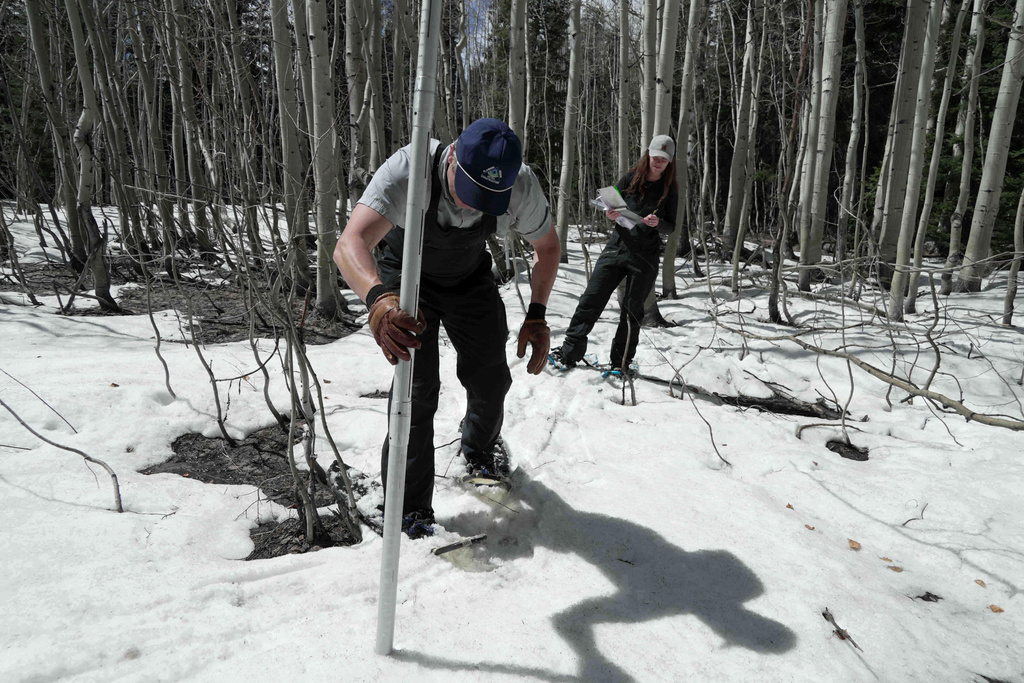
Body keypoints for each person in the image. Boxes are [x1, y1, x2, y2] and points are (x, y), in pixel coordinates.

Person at [333, 118, 560, 538]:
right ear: (452, 156)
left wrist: (538, 314)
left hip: (468, 277)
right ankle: (408, 508)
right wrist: (378, 300)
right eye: (471, 191)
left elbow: (547, 246)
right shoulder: (409, 168)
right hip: (406, 279)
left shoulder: (522, 186)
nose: (474, 206)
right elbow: (350, 243)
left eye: (489, 199)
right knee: (417, 392)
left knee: (492, 376)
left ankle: (479, 448)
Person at [551, 135, 678, 373]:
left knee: (632, 312)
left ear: (669, 162)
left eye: (664, 159)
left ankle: (621, 363)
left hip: (645, 257)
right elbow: (611, 203)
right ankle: (569, 352)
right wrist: (610, 213)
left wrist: (658, 223)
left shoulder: (669, 190)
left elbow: (671, 226)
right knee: (591, 299)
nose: (658, 162)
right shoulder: (631, 177)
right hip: (617, 247)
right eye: (655, 156)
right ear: (648, 154)